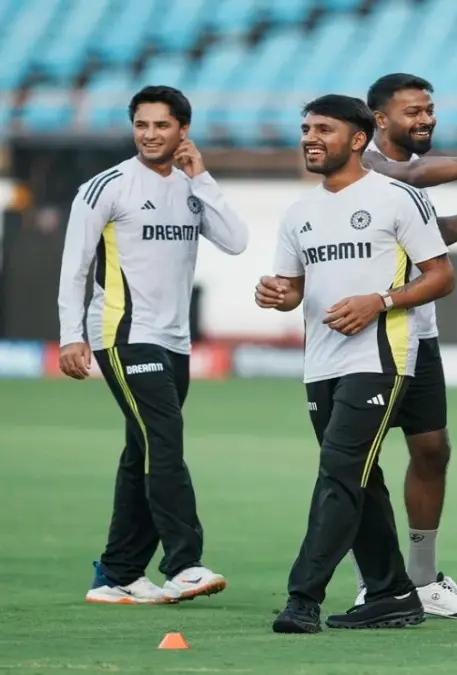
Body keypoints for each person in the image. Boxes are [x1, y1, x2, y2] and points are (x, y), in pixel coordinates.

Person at [256, 94, 456, 633]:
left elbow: (441, 276)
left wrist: (381, 300)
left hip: (381, 357)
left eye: (323, 128)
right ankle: (392, 592)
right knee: (361, 480)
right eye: (305, 128)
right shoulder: (298, 213)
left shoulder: (396, 198)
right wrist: (275, 294)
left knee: (340, 472)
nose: (309, 137)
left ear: (358, 138)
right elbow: (294, 289)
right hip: (320, 364)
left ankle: (303, 599)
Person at [330, 72, 457, 620]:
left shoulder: (406, 186)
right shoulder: (367, 166)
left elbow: (435, 236)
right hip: (365, 334)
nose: (426, 119)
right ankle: (377, 581)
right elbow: (410, 170)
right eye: (413, 111)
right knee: (359, 461)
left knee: (432, 450)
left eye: (429, 109)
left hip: (419, 332)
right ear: (378, 121)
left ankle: (421, 579)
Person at [57, 85, 247, 605]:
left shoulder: (192, 187)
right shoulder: (107, 187)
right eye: (141, 124)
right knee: (164, 439)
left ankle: (117, 573)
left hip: (174, 341)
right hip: (122, 334)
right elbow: (74, 268)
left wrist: (201, 176)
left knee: (141, 449)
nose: (149, 135)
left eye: (161, 125)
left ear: (183, 129)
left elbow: (235, 240)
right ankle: (184, 563)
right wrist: (71, 335)